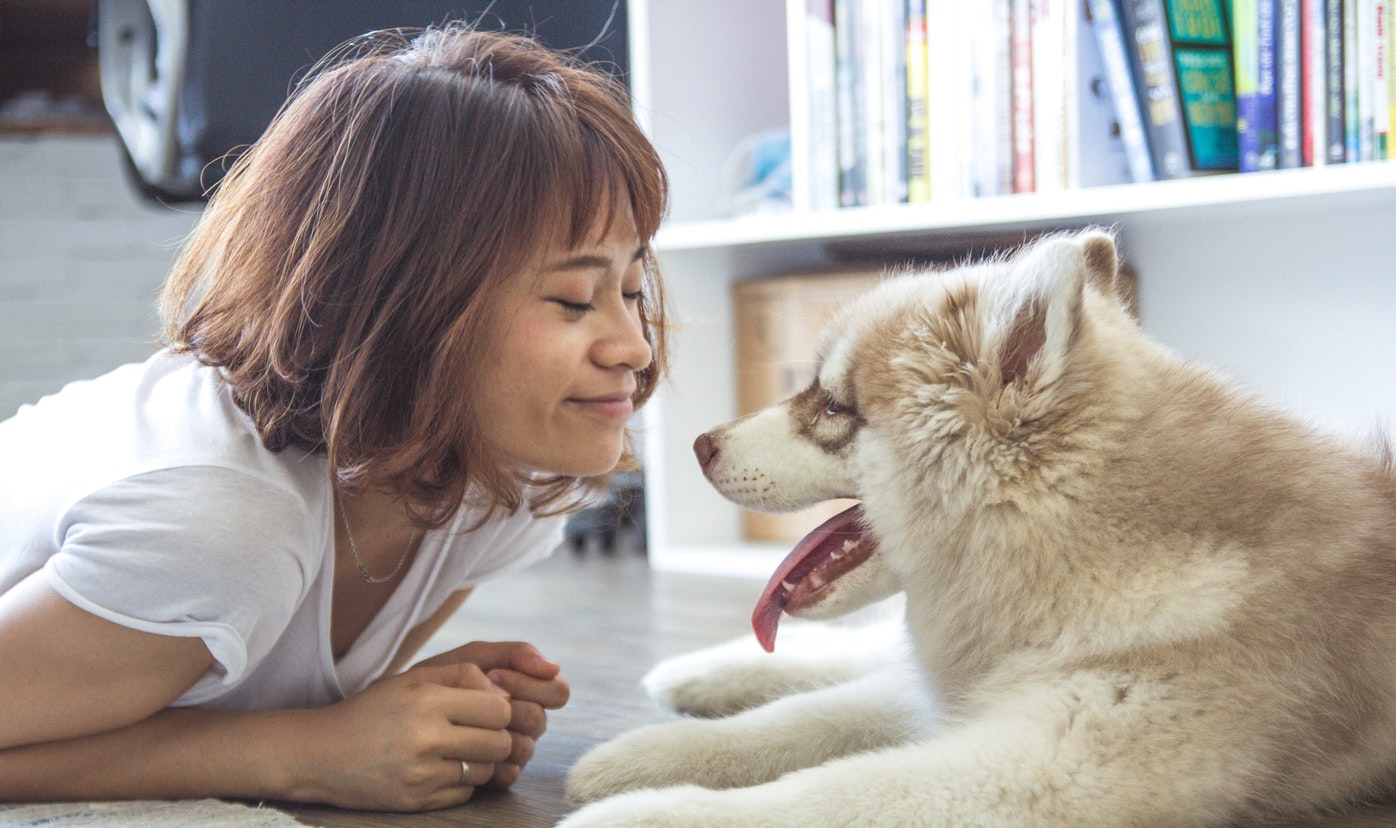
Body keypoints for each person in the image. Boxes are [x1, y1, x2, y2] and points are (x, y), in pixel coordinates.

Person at [0, 23, 667, 812]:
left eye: (631, 290)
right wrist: (304, 754)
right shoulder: (220, 524)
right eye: (571, 300)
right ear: (402, 307)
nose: (633, 346)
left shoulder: (503, 480)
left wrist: (413, 719)